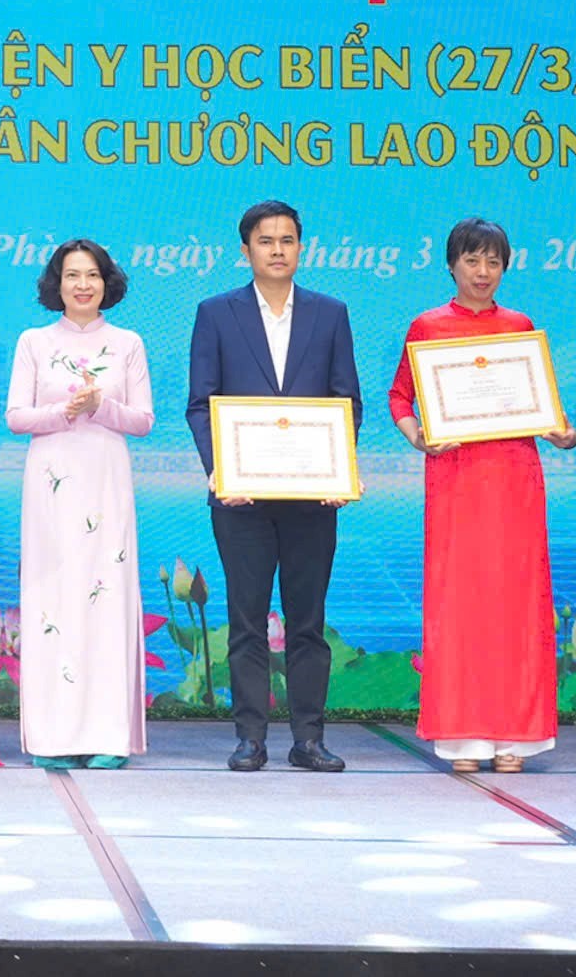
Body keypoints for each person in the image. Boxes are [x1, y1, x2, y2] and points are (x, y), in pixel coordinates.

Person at [389, 217, 576, 773]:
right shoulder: (428, 326)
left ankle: (514, 737)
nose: (482, 271)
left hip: (515, 481)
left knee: (516, 606)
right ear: (451, 265)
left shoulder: (519, 325)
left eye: (493, 262)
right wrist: (418, 437)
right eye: (472, 260)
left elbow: (545, 407)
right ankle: (461, 739)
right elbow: (400, 397)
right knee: (459, 605)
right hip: (455, 480)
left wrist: (564, 435)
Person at [186, 200, 361, 773]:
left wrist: (339, 469)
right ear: (246, 250)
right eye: (266, 241)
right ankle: (250, 738)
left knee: (308, 622)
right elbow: (200, 404)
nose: (278, 250)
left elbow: (347, 401)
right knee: (247, 621)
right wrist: (220, 471)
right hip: (241, 498)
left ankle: (309, 739)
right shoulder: (216, 313)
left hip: (313, 498)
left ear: (301, 248)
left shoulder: (330, 314)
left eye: (288, 240)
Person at [7, 239, 154, 769]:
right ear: (57, 283)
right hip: (50, 483)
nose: (83, 285)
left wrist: (101, 405)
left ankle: (108, 735)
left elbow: (143, 420)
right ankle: (54, 737)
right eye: (72, 275)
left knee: (105, 596)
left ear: (106, 282)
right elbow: (16, 417)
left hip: (106, 480)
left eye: (92, 274)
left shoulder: (128, 343)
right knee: (54, 598)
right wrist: (65, 412)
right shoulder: (34, 341)